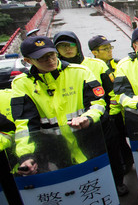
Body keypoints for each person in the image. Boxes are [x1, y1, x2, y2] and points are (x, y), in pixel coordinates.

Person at [11, 36, 106, 175]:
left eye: (51, 55)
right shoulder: (21, 84)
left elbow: (98, 103)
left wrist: (88, 117)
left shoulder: (80, 72)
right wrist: (26, 156)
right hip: (54, 150)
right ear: (28, 61)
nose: (50, 60)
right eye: (42, 58)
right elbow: (24, 125)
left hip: (88, 141)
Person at [53, 31, 128, 195]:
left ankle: (118, 182)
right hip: (70, 126)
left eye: (71, 45)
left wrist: (113, 114)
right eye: (62, 46)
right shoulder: (52, 72)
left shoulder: (96, 65)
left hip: (102, 119)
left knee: (112, 152)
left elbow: (111, 92)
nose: (68, 49)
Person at [88, 34, 134, 178]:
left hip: (121, 111)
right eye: (105, 48)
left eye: (110, 47)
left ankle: (128, 162)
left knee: (122, 138)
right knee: (112, 142)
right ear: (95, 52)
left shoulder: (119, 64)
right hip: (104, 112)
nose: (109, 51)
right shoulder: (89, 68)